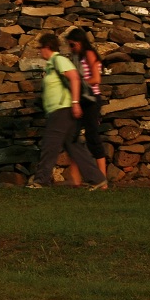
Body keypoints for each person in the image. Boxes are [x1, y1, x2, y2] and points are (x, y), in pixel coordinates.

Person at [27, 33, 107, 190]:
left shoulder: (59, 60)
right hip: (60, 109)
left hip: (62, 109)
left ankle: (41, 180)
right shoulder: (51, 64)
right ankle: (97, 179)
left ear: (47, 47)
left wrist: (75, 103)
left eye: (40, 48)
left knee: (50, 144)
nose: (39, 51)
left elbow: (75, 79)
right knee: (74, 145)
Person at [65, 28, 106, 187]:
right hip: (81, 100)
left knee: (92, 137)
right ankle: (76, 180)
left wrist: (78, 84)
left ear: (80, 42)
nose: (71, 48)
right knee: (72, 137)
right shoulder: (77, 57)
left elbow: (96, 79)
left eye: (73, 45)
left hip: (91, 100)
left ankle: (102, 180)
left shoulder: (89, 54)